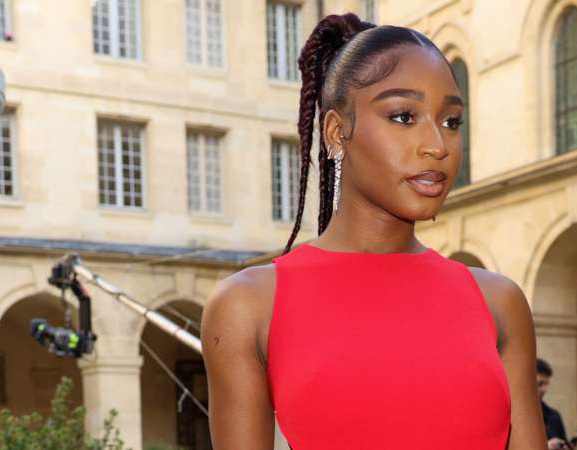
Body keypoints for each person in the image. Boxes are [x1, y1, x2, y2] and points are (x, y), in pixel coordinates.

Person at [200, 13, 546, 450]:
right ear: (336, 133)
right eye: (403, 116)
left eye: (451, 121)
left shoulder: (499, 302)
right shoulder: (248, 305)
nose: (437, 145)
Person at [538, 358, 568, 449]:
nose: (545, 390)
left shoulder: (554, 416)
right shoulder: (515, 415)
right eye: (540, 384)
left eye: (546, 384)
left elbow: (565, 444)